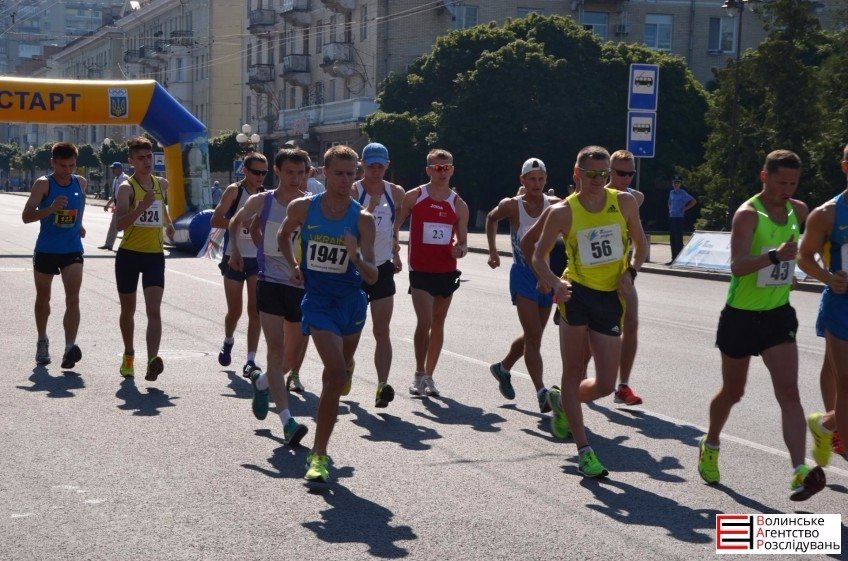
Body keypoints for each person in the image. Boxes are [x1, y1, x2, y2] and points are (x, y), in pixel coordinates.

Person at [698, 149, 825, 500]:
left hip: (777, 315)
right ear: (764, 176)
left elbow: (808, 250)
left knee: (789, 393)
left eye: (793, 183)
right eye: (781, 182)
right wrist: (774, 257)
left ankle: (799, 470)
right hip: (740, 316)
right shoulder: (747, 214)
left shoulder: (799, 210)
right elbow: (737, 265)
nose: (787, 189)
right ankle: (711, 442)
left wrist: (793, 269)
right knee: (733, 392)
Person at [531, 146, 647, 478]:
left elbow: (641, 245)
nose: (598, 180)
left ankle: (562, 401)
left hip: (610, 297)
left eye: (604, 174)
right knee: (573, 370)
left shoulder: (623, 203)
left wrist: (631, 272)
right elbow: (538, 256)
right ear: (577, 174)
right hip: (576, 294)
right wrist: (554, 282)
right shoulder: (563, 212)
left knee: (606, 384)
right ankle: (584, 450)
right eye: (591, 174)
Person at [278, 145, 378, 487]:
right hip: (318, 301)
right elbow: (283, 234)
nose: (346, 180)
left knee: (339, 372)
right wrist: (293, 265)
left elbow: (372, 276)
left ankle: (347, 367)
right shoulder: (303, 208)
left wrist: (355, 256)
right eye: (339, 173)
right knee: (333, 376)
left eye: (351, 174)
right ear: (324, 172)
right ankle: (319, 456)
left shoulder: (362, 219)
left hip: (351, 302)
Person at [230, 148, 312, 446]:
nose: (295, 178)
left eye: (300, 173)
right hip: (270, 283)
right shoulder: (262, 200)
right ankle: (288, 421)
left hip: (301, 288)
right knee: (275, 352)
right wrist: (237, 250)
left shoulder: (311, 204)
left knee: (290, 359)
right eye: (289, 172)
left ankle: (262, 383)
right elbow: (236, 221)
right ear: (277, 171)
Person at [485, 157, 559, 412]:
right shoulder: (513, 205)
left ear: (546, 179)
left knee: (533, 335)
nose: (536, 184)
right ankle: (541, 392)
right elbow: (491, 218)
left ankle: (503, 367)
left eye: (541, 179)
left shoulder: (555, 205)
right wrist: (493, 251)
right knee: (534, 336)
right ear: (522, 180)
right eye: (532, 179)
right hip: (523, 275)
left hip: (547, 276)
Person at [394, 149, 470, 397]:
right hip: (420, 269)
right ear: (428, 170)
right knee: (425, 320)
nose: (442, 172)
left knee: (438, 322)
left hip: (446, 270)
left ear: (452, 170)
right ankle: (418, 374)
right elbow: (396, 226)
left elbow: (463, 242)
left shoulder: (459, 204)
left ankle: (429, 375)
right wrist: (394, 249)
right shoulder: (415, 196)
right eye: (437, 168)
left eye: (446, 167)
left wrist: (460, 249)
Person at [798, 143, 848, 468]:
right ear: (845, 167)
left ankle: (828, 424)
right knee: (845, 379)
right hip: (841, 304)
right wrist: (829, 278)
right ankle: (838, 427)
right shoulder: (827, 213)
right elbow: (804, 257)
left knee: (836, 372)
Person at [114, 136, 176, 381]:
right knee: (128, 310)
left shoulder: (162, 184)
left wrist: (168, 224)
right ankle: (129, 354)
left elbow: (161, 207)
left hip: (154, 256)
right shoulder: (126, 188)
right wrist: (142, 206)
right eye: (141, 158)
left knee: (154, 310)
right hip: (129, 255)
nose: (146, 162)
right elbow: (119, 224)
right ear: (131, 161)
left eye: (149, 157)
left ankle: (152, 360)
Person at [22, 142, 87, 368]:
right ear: (53, 162)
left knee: (73, 298)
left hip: (72, 249)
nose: (67, 170)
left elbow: (80, 205)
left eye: (71, 165)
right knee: (43, 298)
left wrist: (79, 224)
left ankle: (69, 348)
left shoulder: (80, 182)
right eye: (62, 166)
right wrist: (50, 209)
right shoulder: (43, 184)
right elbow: (26, 216)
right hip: (47, 249)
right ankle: (42, 340)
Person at [352, 142, 406, 408]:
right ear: (362, 164)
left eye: (380, 166)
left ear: (387, 165)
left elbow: (394, 226)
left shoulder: (396, 192)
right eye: (370, 165)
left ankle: (382, 385)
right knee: (351, 329)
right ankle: (346, 367)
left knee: (382, 330)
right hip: (356, 267)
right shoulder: (354, 191)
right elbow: (349, 229)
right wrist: (370, 209)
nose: (375, 171)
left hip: (382, 267)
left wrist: (395, 249)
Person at [211, 152, 266, 377]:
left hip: (256, 259)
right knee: (235, 311)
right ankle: (228, 340)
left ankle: (250, 360)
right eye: (255, 172)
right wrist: (240, 222)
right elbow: (215, 219)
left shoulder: (265, 195)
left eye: (264, 173)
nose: (260, 177)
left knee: (256, 310)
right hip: (233, 256)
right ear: (244, 170)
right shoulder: (235, 191)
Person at [607, 150, 646, 405]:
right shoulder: (596, 196)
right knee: (596, 334)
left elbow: (640, 242)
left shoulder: (634, 198)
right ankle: (580, 377)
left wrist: (631, 271)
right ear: (609, 171)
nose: (626, 178)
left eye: (631, 173)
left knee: (631, 323)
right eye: (621, 173)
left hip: (622, 273)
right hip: (594, 276)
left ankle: (623, 385)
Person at [667, 175, 697, 264]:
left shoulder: (683, 193)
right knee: (672, 239)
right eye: (675, 183)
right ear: (672, 184)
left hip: (679, 218)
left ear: (680, 184)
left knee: (678, 239)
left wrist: (685, 209)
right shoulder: (671, 193)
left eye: (678, 183)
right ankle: (673, 259)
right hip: (672, 217)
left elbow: (693, 201)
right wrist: (670, 210)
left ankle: (679, 259)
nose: (676, 184)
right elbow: (669, 202)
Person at [98, 162, 127, 251]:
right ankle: (108, 244)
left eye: (114, 168)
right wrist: (108, 204)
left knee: (126, 225)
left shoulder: (125, 178)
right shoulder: (115, 179)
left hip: (125, 205)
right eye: (112, 169)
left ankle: (128, 246)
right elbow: (114, 195)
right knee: (114, 225)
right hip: (117, 205)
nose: (113, 170)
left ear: (119, 169)